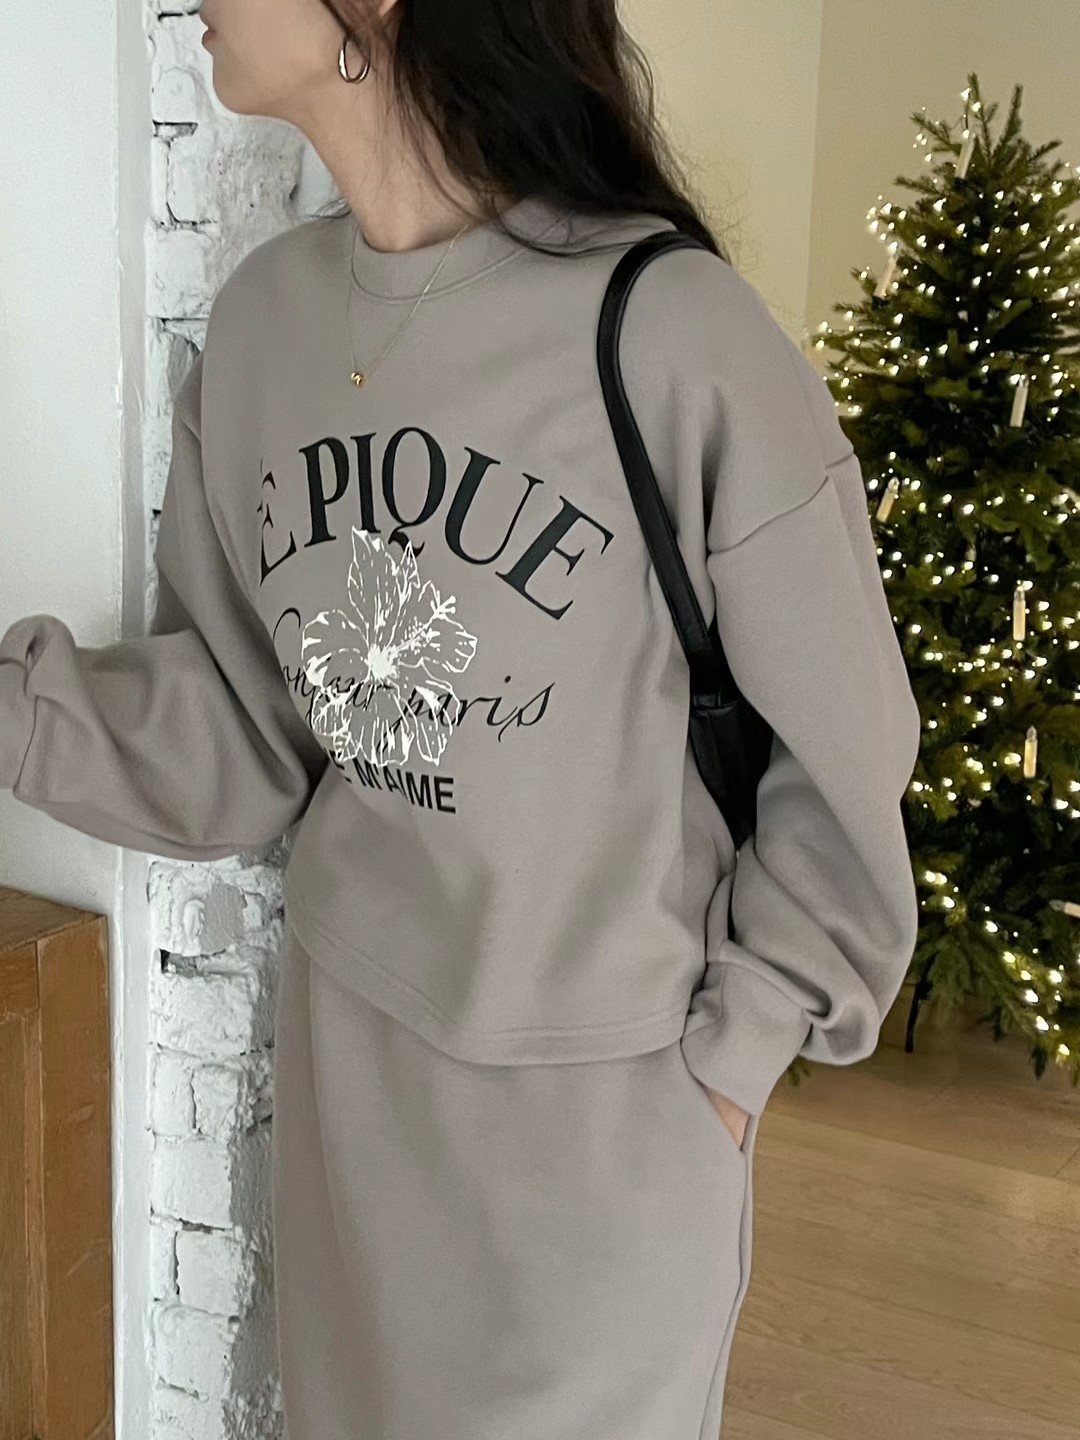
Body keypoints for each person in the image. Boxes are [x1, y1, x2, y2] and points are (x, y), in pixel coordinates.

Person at [0, 1, 923, 1435]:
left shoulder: (673, 333)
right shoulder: (263, 328)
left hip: (607, 1146)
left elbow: (842, 756)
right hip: (351, 1114)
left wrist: (732, 1067)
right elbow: (245, 727)